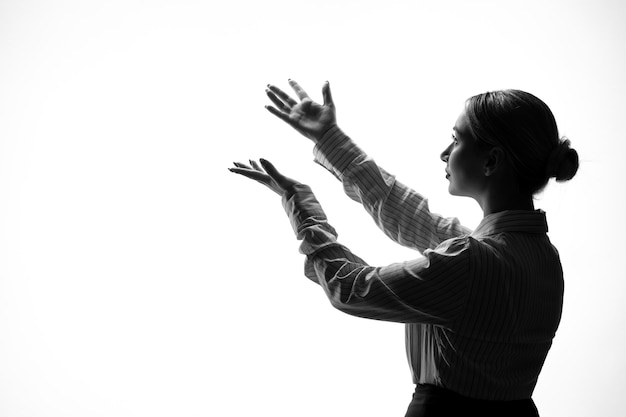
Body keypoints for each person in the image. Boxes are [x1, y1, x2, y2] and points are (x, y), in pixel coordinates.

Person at [229, 80, 579, 416]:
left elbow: (349, 288)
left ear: (490, 162)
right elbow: (407, 214)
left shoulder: (471, 261)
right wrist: (328, 138)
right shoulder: (541, 257)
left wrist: (300, 203)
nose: (444, 153)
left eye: (456, 140)